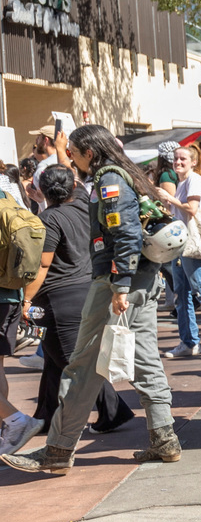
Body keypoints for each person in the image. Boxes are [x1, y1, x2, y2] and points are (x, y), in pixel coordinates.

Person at [4, 126, 182, 474]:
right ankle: (164, 439)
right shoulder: (125, 173)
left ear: (89, 151)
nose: (70, 157)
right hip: (140, 281)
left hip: (117, 284)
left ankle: (57, 450)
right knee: (145, 360)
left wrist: (120, 286)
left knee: (82, 368)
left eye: (72, 151)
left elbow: (125, 231)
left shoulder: (108, 178)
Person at [14, 167, 135, 446]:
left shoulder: (49, 219)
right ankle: (45, 415)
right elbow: (75, 183)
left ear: (43, 191)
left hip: (59, 299)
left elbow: (44, 264)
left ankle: (113, 411)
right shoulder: (85, 206)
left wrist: (27, 299)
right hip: (88, 290)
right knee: (56, 359)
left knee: (73, 362)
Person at [157, 145, 201, 358]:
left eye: (183, 159)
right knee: (182, 294)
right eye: (176, 159)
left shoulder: (194, 179)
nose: (178, 162)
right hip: (180, 244)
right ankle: (189, 342)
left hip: (190, 244)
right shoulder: (183, 181)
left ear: (194, 162)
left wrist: (168, 199)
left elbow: (192, 209)